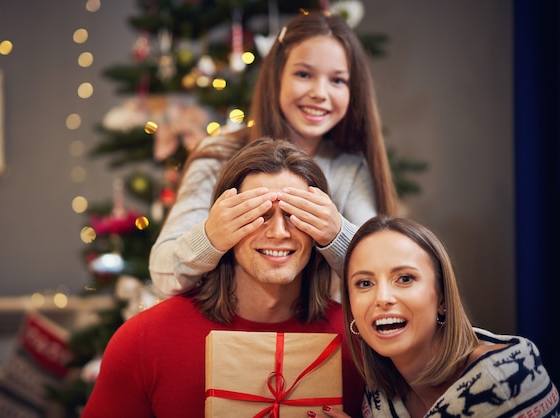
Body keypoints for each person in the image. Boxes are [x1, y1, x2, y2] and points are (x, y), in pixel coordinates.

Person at [82, 138, 365, 418]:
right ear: (222, 224)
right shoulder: (144, 340)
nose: (279, 232)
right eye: (258, 213)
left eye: (296, 214)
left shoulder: (361, 344)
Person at [149, 9, 398, 297]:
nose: (320, 92)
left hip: (318, 337)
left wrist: (336, 233)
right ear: (276, 77)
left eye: (338, 80)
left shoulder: (348, 168)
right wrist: (210, 238)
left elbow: (384, 270)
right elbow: (162, 273)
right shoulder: (217, 156)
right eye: (304, 74)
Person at [307, 215, 559, 418]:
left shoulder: (507, 378)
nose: (382, 298)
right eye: (364, 283)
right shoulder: (376, 400)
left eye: (404, 278)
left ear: (442, 299)